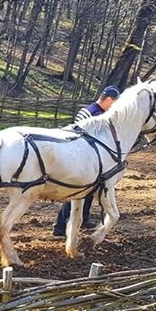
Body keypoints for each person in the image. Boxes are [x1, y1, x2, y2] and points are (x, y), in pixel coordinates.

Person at [52, 85, 120, 237]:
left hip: (84, 156)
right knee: (76, 194)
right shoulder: (97, 115)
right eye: (114, 102)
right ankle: (60, 226)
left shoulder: (87, 109)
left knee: (87, 192)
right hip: (84, 158)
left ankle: (83, 219)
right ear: (108, 99)